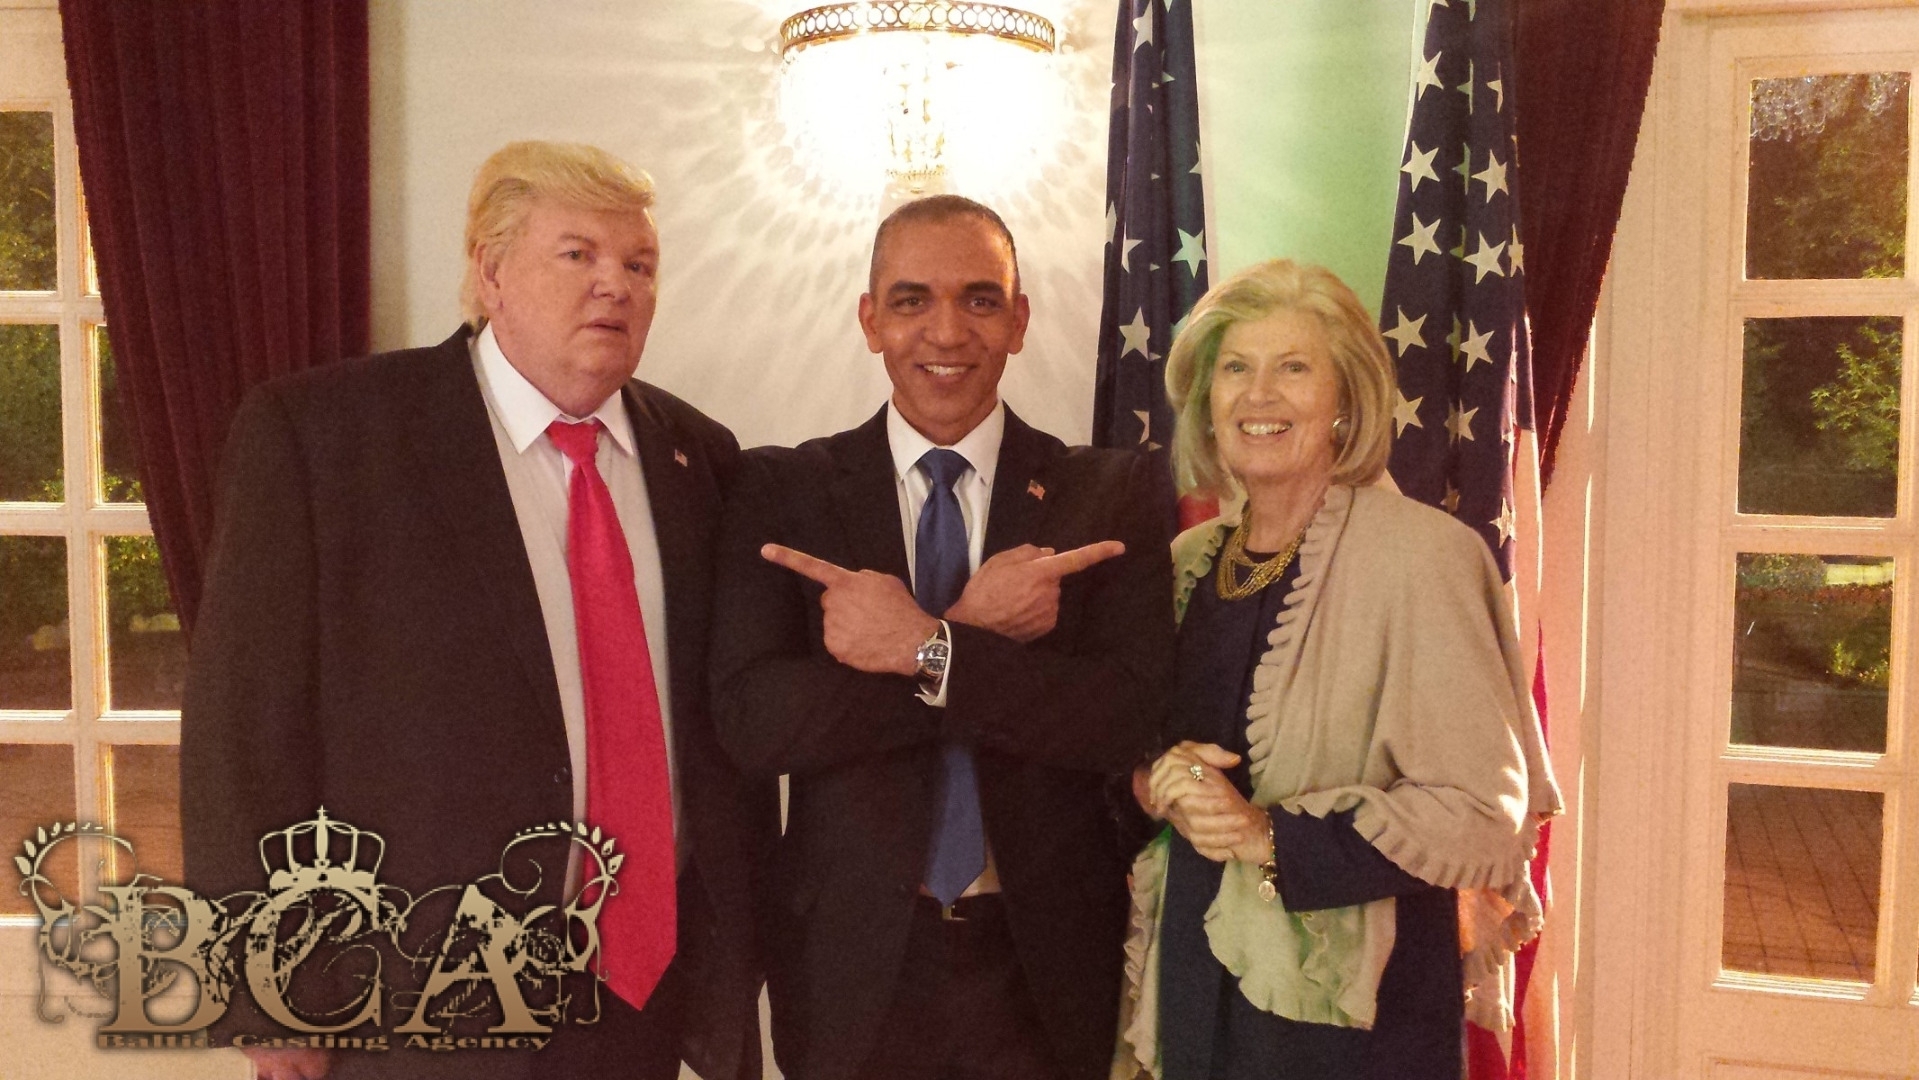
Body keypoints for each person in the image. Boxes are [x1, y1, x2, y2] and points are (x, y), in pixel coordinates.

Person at [180, 141, 777, 1080]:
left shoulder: (699, 456)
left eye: (639, 264)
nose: (615, 285)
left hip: (643, 995)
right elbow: (242, 729)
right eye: (577, 254)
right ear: (491, 272)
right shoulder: (325, 438)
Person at [709, 194, 1176, 1080]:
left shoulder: (1107, 494)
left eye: (980, 299)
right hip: (849, 962)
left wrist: (923, 646)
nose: (947, 331)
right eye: (911, 300)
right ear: (870, 320)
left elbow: (1122, 718)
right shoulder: (783, 490)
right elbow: (755, 723)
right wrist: (964, 632)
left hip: (1045, 962)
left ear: (1019, 321)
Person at [1115, 259, 1559, 1080]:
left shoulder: (1424, 557)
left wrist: (1264, 834)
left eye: (1292, 368)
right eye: (1235, 369)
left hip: (1355, 1019)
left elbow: (1481, 814)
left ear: (1344, 400)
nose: (1258, 395)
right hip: (1193, 979)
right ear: (1206, 402)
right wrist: (1157, 783)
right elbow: (1138, 750)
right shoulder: (1183, 562)